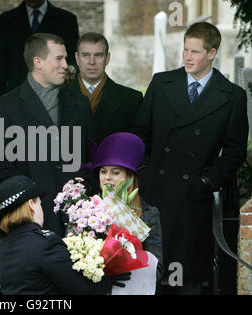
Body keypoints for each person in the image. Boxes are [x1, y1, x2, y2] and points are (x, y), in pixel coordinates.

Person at [132, 22, 249, 294]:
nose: (187, 57)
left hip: (193, 200)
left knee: (187, 281)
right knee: (149, 273)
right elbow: (140, 133)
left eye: (195, 52)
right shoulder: (162, 83)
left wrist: (207, 182)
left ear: (212, 53)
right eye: (185, 49)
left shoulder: (232, 96)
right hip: (155, 193)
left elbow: (234, 152)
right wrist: (144, 170)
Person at [0, 33, 96, 238]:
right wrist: (28, 199)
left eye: (65, 58)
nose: (66, 65)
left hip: (75, 219)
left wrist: (82, 195)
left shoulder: (79, 103)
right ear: (38, 62)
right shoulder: (4, 107)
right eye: (59, 59)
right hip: (28, 219)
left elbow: (90, 156)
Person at [0, 175, 130, 294]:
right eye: (40, 204)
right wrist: (108, 278)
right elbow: (81, 289)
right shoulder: (45, 243)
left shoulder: (3, 249)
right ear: (31, 205)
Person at [84, 132, 163, 283]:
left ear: (128, 177)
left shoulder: (148, 214)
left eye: (115, 172)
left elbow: (157, 267)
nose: (107, 177)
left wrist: (126, 269)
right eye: (103, 171)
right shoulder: (86, 211)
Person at [67, 32, 143, 144]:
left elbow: (137, 146)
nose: (92, 62)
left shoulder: (132, 100)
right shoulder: (59, 96)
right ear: (77, 58)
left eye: (98, 55)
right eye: (86, 55)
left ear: (107, 58)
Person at [0, 0, 79, 97]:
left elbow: (73, 60)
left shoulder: (67, 20)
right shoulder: (5, 21)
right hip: (16, 96)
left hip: (55, 94)